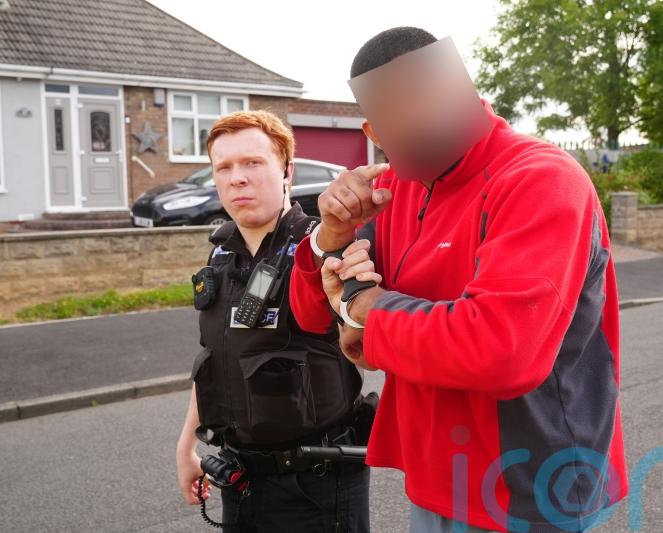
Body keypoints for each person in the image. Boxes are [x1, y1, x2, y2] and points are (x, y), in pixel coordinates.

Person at [290, 28, 629, 532]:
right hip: (437, 477)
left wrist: (366, 312)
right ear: (375, 132)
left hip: (529, 485)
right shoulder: (391, 186)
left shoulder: (539, 178)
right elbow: (311, 312)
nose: (421, 123)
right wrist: (333, 233)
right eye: (398, 117)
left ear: (465, 92)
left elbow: (500, 349)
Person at [175, 110, 375, 532]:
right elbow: (214, 358)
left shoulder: (324, 249)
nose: (236, 178)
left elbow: (369, 346)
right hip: (240, 480)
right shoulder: (220, 255)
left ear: (287, 170)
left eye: (252, 162)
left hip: (317, 485)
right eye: (223, 168)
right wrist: (186, 446)